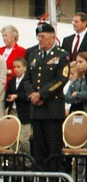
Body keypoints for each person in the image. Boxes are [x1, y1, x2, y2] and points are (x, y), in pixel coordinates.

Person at [27, 23, 70, 169]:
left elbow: (61, 80)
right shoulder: (34, 55)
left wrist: (41, 94)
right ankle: (40, 178)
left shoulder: (61, 55)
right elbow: (27, 79)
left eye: (43, 37)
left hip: (52, 108)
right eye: (39, 37)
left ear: (52, 37)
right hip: (37, 109)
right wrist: (32, 95)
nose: (40, 40)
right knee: (38, 147)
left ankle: (53, 178)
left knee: (53, 146)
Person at [5, 58, 30, 154]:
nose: (16, 69)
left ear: (25, 68)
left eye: (18, 67)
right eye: (14, 67)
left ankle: (26, 162)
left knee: (23, 140)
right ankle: (12, 162)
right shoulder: (12, 81)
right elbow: (8, 94)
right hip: (13, 112)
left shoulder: (28, 80)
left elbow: (29, 96)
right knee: (12, 139)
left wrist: (17, 96)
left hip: (24, 113)